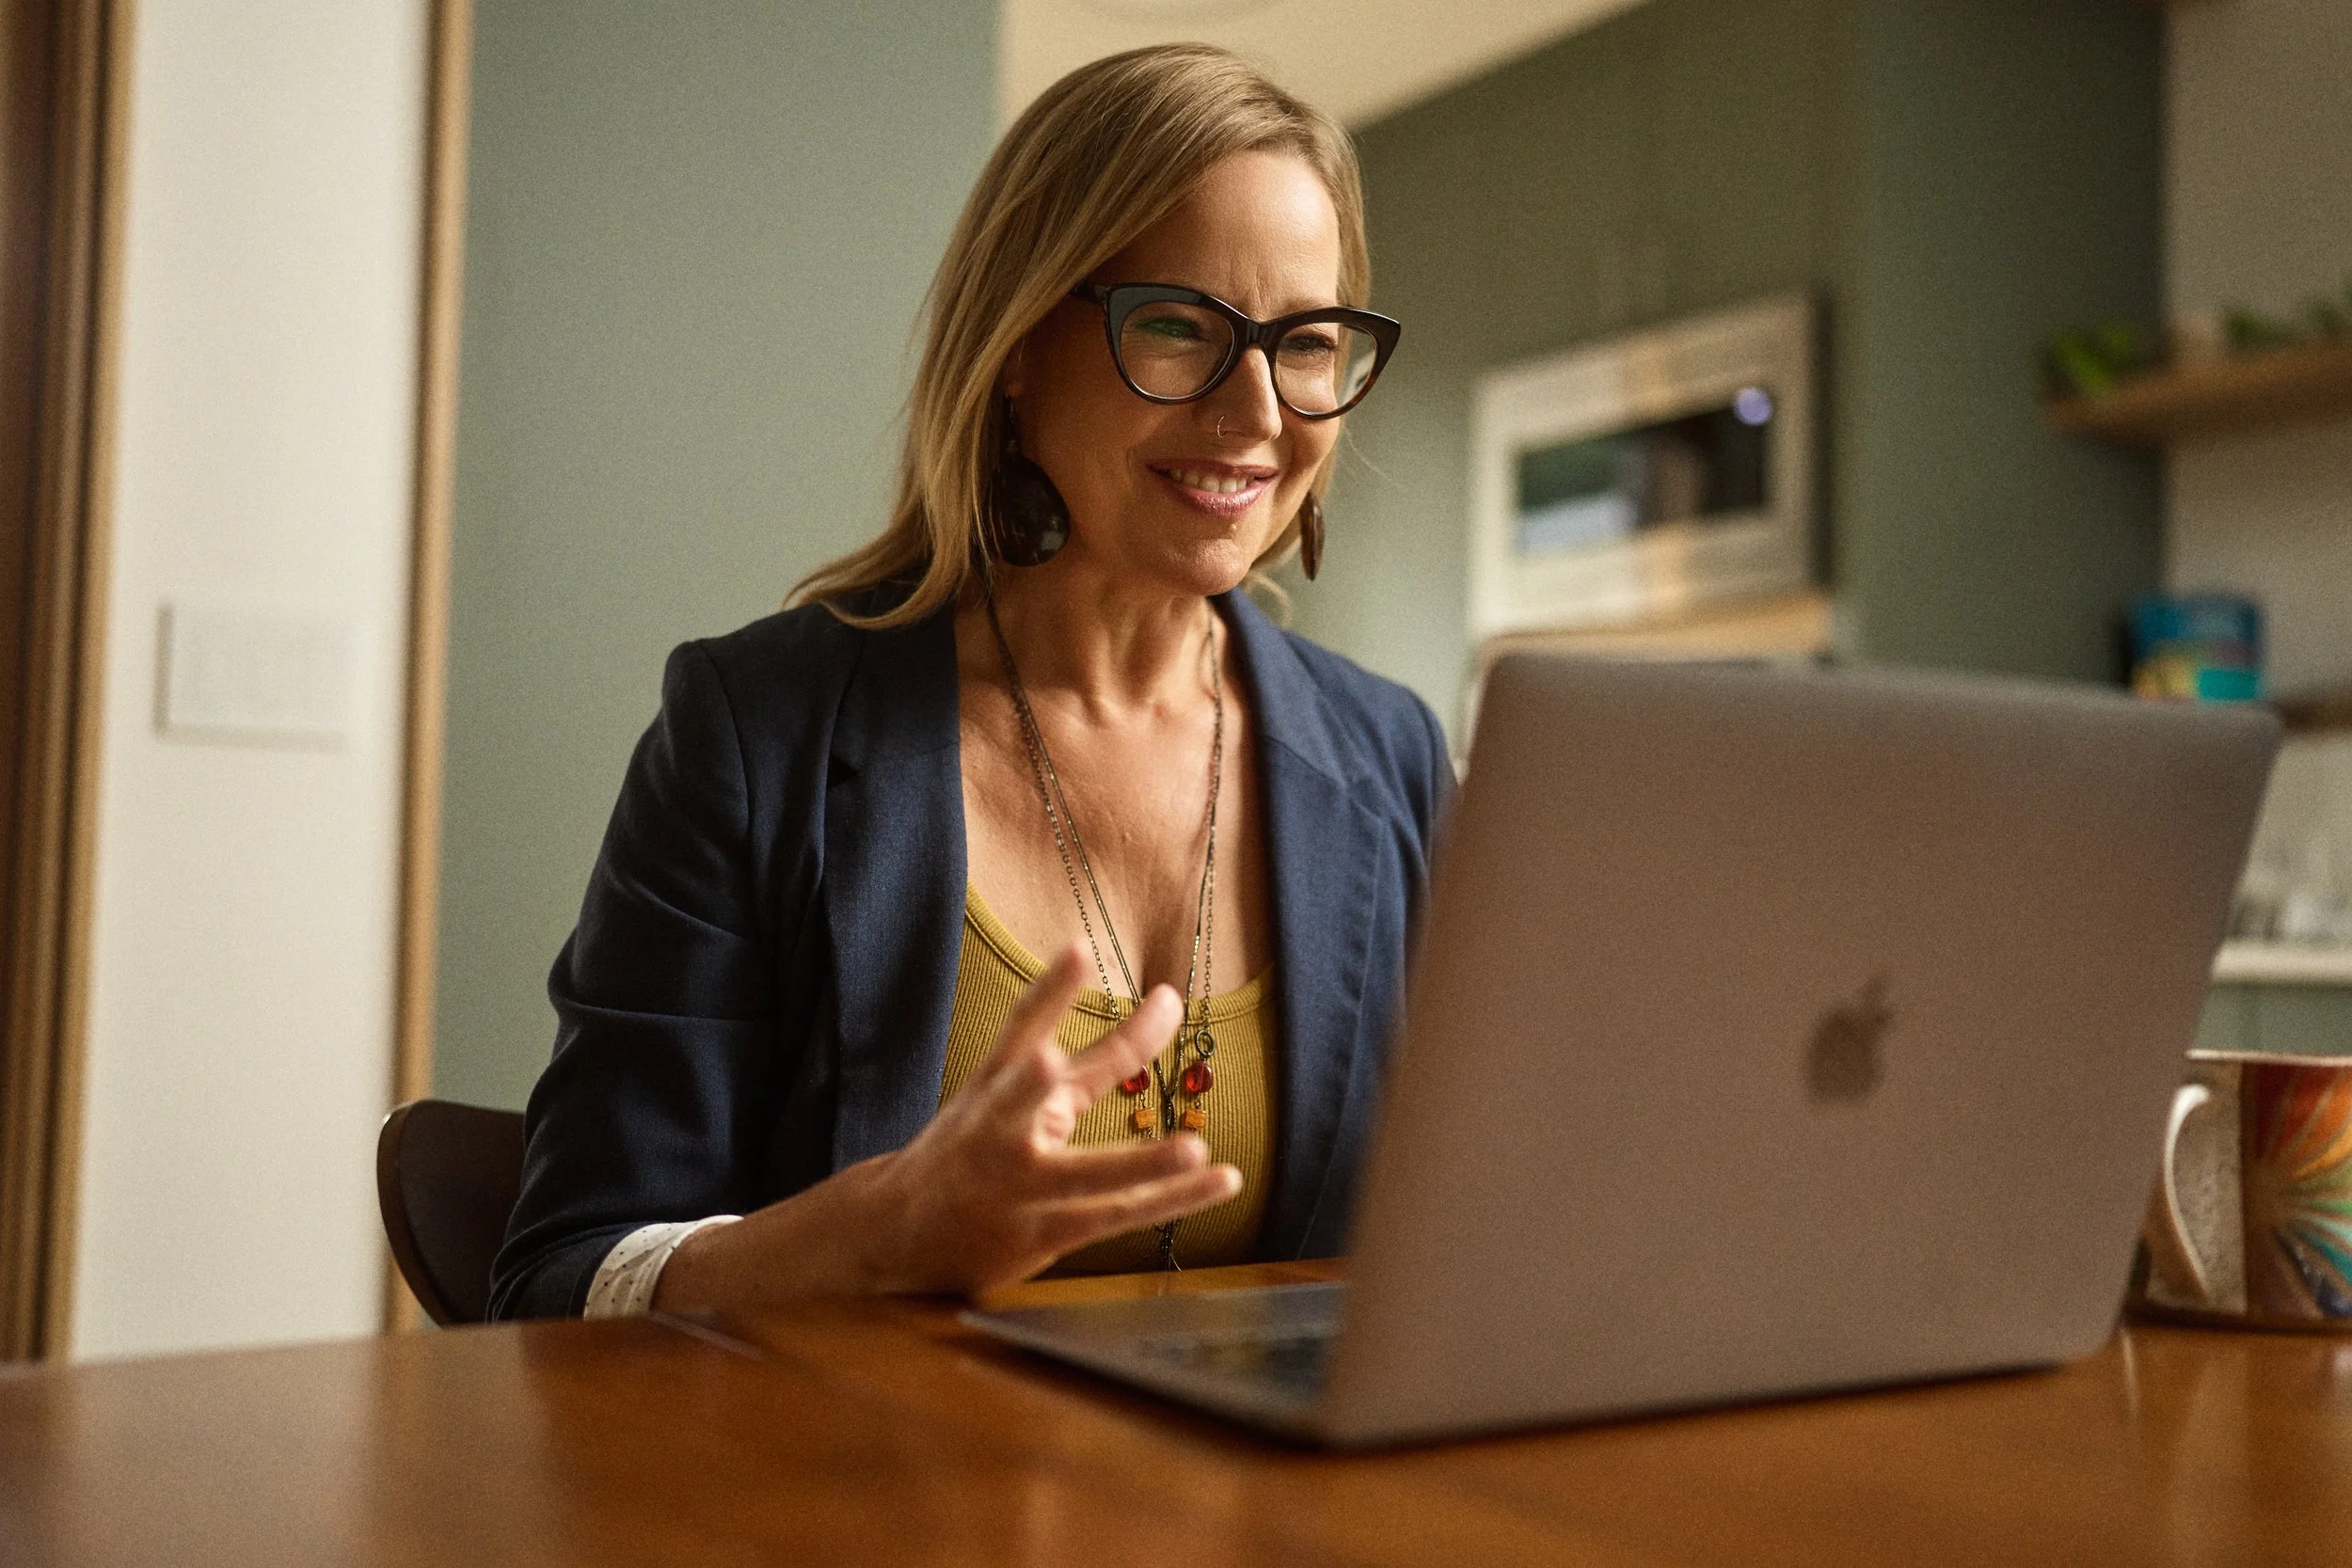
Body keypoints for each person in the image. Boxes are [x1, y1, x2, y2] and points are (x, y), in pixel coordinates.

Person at [488, 43, 1452, 1322]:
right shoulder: (753, 734)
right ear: (1017, 346)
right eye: (1176, 328)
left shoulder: (1391, 756)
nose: (1259, 412)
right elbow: (560, 1280)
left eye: (1308, 343)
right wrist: (879, 1235)